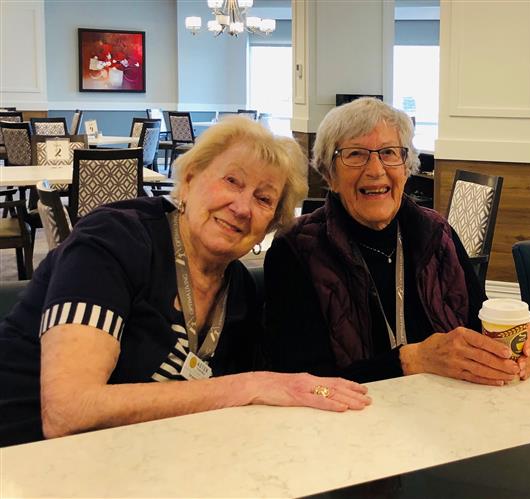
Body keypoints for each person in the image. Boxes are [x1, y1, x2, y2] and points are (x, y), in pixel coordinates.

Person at [0, 117, 370, 447]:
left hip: (136, 460)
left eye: (263, 198)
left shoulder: (237, 291)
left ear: (270, 225)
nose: (242, 207)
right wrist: (251, 385)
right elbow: (68, 411)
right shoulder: (113, 241)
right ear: (190, 179)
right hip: (26, 458)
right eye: (231, 181)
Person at [263, 97, 530, 385]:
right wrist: (410, 361)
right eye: (356, 154)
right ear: (330, 175)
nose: (375, 169)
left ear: (406, 169)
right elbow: (296, 381)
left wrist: (515, 339)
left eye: (388, 153)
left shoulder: (437, 233)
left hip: (447, 413)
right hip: (349, 422)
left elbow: (477, 324)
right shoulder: (296, 250)